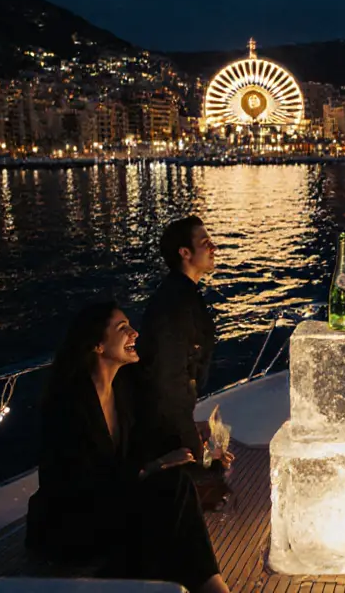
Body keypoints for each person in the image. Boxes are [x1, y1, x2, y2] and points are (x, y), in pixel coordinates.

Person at [25, 302, 199, 574]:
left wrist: (193, 444)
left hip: (109, 504)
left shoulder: (123, 389)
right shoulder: (69, 404)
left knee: (178, 484)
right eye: (123, 328)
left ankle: (207, 584)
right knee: (167, 496)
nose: (135, 333)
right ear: (98, 345)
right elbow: (80, 482)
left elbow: (148, 439)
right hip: (72, 522)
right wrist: (153, 467)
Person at [133, 215, 221, 463]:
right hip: (164, 426)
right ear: (185, 252)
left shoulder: (181, 293)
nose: (213, 248)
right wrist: (189, 438)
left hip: (170, 417)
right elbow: (169, 376)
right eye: (205, 242)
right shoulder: (176, 303)